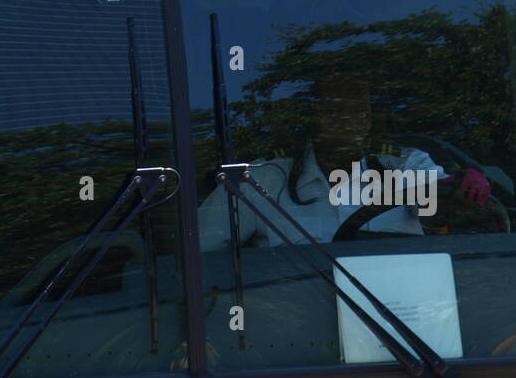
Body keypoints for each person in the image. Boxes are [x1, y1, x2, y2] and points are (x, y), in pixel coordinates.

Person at [199, 73, 479, 248]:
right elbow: (199, 254)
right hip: (294, 330)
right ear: (313, 116)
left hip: (404, 317)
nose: (346, 119)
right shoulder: (261, 180)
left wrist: (460, 194)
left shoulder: (406, 167)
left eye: (358, 110)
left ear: (369, 119)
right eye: (334, 108)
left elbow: (439, 209)